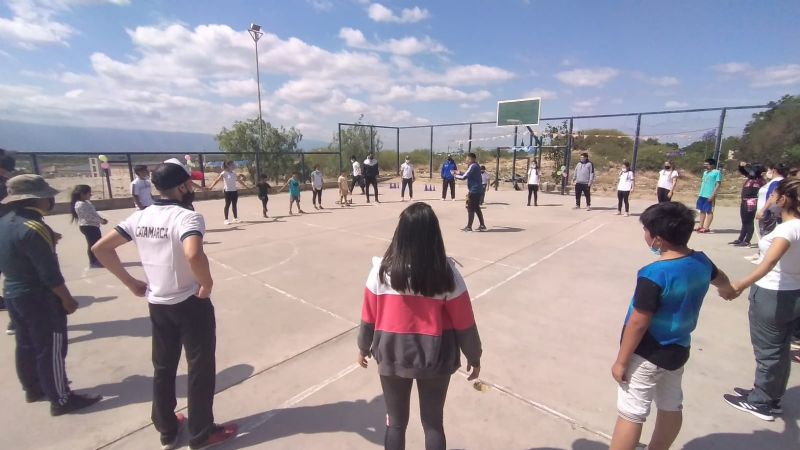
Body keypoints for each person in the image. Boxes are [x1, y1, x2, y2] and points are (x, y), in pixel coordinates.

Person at [92, 160, 238, 450]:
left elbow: (100, 248)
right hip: (189, 302)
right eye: (190, 183)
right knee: (199, 367)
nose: (192, 188)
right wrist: (206, 283)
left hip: (158, 304)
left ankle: (167, 428)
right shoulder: (186, 218)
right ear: (181, 186)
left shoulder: (139, 216)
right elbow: (193, 254)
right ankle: (201, 432)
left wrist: (130, 282)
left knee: (163, 366)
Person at [609, 201, 734, 450]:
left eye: (645, 231)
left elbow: (638, 323)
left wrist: (622, 360)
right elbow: (720, 278)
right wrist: (727, 289)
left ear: (658, 240)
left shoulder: (654, 274)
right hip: (678, 350)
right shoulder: (701, 261)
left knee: (632, 412)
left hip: (646, 353)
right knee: (671, 404)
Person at [357, 202, 482, 450]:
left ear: (400, 234)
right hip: (435, 359)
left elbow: (368, 316)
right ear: (434, 236)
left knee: (395, 424)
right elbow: (464, 322)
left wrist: (362, 347)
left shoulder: (381, 272)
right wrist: (474, 356)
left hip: (392, 356)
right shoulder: (448, 274)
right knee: (433, 424)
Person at [0, 174, 102, 415]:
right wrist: (66, 298)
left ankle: (33, 388)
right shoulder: (35, 227)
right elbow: (49, 273)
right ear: (37, 199)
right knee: (51, 348)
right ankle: (61, 397)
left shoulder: (5, 222)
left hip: (14, 292)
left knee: (25, 343)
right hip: (39, 296)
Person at [720, 178, 800, 422]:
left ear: (783, 198)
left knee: (768, 350)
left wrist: (738, 285)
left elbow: (769, 262)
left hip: (773, 294)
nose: (772, 199)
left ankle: (762, 402)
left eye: (775, 195)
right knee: (780, 349)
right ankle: (769, 395)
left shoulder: (788, 229)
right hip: (794, 292)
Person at [70, 185, 108, 268]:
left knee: (96, 243)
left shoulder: (86, 202)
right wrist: (102, 221)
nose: (90, 195)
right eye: (89, 193)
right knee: (93, 244)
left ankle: (98, 260)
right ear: (82, 194)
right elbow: (90, 217)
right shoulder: (80, 205)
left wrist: (100, 219)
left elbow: (93, 214)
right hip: (88, 227)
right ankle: (93, 262)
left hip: (93, 226)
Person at [730, 162, 765, 247]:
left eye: (753, 170)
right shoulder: (750, 176)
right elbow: (742, 170)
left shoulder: (760, 180)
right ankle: (740, 238)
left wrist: (749, 166)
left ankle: (747, 240)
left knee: (749, 221)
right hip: (744, 201)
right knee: (744, 221)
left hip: (752, 202)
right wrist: (741, 165)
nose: (751, 172)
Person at [0, 148, 16, 334]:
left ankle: (16, 319)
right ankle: (16, 319)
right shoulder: (6, 185)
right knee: (15, 277)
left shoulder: (6, 183)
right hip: (8, 232)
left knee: (12, 277)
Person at [208, 161, 249, 225]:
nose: (234, 165)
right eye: (232, 164)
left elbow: (239, 181)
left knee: (234, 205)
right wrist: (211, 187)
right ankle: (226, 219)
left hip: (234, 191)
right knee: (227, 205)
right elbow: (217, 180)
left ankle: (235, 218)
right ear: (228, 166)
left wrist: (246, 186)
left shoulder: (234, 173)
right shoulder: (224, 173)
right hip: (227, 191)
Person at [455, 153, 486, 232]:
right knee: (476, 208)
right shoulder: (475, 166)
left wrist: (454, 175)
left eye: (467, 159)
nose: (466, 160)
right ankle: (482, 225)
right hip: (478, 190)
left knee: (470, 208)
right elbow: (467, 174)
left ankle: (469, 227)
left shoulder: (473, 166)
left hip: (474, 190)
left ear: (471, 159)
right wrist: (460, 172)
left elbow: (464, 177)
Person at [695, 159, 721, 233]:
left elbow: (718, 184)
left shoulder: (716, 172)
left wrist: (712, 195)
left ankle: (706, 228)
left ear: (712, 165)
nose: (705, 166)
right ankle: (700, 226)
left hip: (709, 195)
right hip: (702, 194)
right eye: (705, 164)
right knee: (702, 210)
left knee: (709, 211)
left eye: (707, 164)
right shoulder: (705, 172)